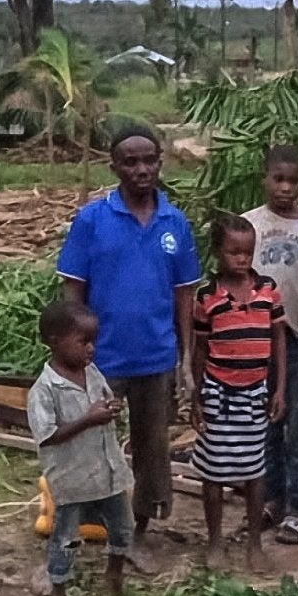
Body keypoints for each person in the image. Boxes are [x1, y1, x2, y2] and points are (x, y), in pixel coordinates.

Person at [57, 125, 201, 557]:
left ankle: (136, 533)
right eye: (130, 161)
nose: (141, 169)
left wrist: (187, 359)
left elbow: (185, 297)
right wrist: (74, 351)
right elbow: (73, 289)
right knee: (87, 445)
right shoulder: (92, 220)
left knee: (152, 448)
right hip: (101, 358)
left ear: (160, 161)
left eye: (149, 160)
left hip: (156, 356)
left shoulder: (174, 222)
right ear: (115, 166)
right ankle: (77, 529)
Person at [191, 215, 286, 572]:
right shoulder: (207, 296)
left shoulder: (267, 290)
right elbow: (200, 348)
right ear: (218, 252)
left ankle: (254, 544)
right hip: (218, 391)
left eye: (248, 252)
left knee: (254, 469)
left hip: (255, 394)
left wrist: (280, 389)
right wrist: (196, 394)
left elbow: (278, 339)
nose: (242, 259)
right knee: (213, 470)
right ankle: (215, 541)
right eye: (234, 252)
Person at [242, 145, 298, 545]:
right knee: (265, 426)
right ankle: (270, 500)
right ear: (265, 178)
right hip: (255, 339)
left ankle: (297, 508)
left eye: (294, 180)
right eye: (279, 178)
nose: (286, 187)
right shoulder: (248, 226)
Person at [27, 300, 133, 596]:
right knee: (67, 539)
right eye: (83, 341)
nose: (91, 349)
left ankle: (114, 574)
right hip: (72, 480)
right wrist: (88, 419)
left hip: (108, 471)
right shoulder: (44, 390)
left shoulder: (93, 373)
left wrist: (112, 409)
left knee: (123, 527)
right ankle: (58, 589)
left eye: (93, 342)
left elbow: (104, 400)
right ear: (55, 342)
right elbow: (47, 436)